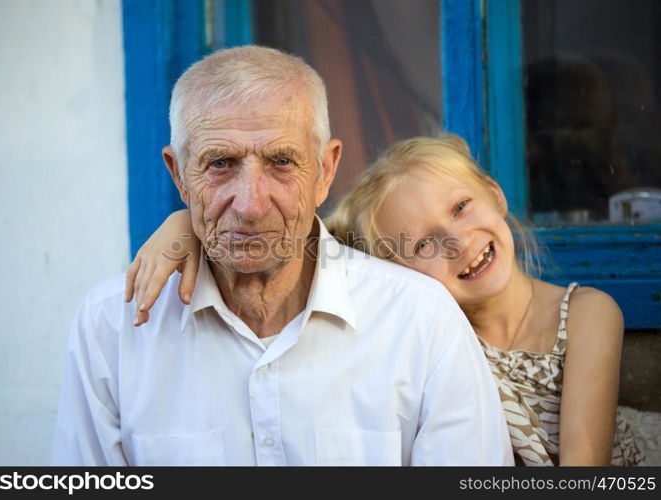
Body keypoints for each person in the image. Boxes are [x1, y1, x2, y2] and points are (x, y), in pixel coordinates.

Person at [52, 46, 513, 466]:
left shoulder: (418, 319)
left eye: (281, 162)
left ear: (326, 170)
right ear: (178, 175)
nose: (250, 205)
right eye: (219, 164)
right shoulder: (113, 326)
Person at [130, 135, 645, 466]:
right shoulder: (415, 336)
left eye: (462, 206)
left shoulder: (585, 314)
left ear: (495, 193)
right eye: (421, 244)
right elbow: (288, 239)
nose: (457, 241)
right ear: (395, 275)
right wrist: (187, 226)